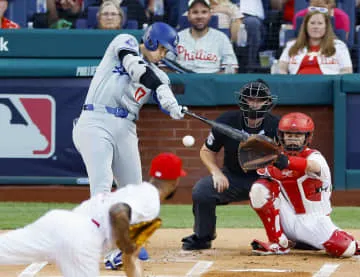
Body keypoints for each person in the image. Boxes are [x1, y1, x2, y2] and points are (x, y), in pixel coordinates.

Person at [72, 21, 185, 267]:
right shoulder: (125, 42)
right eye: (162, 49)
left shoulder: (158, 74)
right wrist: (160, 86)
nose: (163, 55)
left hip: (126, 128)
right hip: (95, 120)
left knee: (135, 190)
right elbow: (137, 69)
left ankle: (130, 242)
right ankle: (101, 249)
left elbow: (160, 85)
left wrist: (172, 105)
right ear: (152, 40)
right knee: (101, 188)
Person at [0, 152, 187, 276]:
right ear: (176, 180)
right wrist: (126, 244)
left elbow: (129, 258)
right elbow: (118, 211)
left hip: (57, 221)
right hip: (82, 239)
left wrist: (128, 249)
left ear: (153, 174)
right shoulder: (150, 200)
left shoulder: (134, 190)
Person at [181, 79, 279, 250]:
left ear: (267, 102)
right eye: (250, 99)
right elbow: (206, 150)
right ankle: (203, 236)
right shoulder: (227, 120)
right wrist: (216, 172)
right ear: (242, 100)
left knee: (290, 194)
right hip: (232, 177)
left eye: (259, 100)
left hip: (265, 179)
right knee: (202, 191)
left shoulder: (276, 125)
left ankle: (291, 237)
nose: (254, 103)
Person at [249, 112, 360, 257]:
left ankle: (347, 241)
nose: (293, 139)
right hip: (288, 219)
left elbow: (312, 166)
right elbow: (260, 181)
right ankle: (278, 243)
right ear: (281, 136)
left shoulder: (315, 157)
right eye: (289, 135)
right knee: (259, 188)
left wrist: (286, 162)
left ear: (307, 137)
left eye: (298, 136)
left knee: (345, 249)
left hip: (315, 220)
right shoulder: (274, 159)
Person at [166, 0, 238, 73]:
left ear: (210, 15)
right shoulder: (176, 38)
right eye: (195, 12)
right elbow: (164, 67)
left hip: (212, 81)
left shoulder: (221, 38)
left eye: (204, 12)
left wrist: (210, 81)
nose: (199, 16)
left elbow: (232, 68)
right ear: (188, 16)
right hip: (182, 81)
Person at [278, 10, 353, 75]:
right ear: (305, 26)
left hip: (327, 88)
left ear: (326, 27)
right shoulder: (292, 45)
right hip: (296, 86)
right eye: (312, 23)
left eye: (320, 23)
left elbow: (347, 70)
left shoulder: (339, 46)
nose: (316, 27)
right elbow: (280, 68)